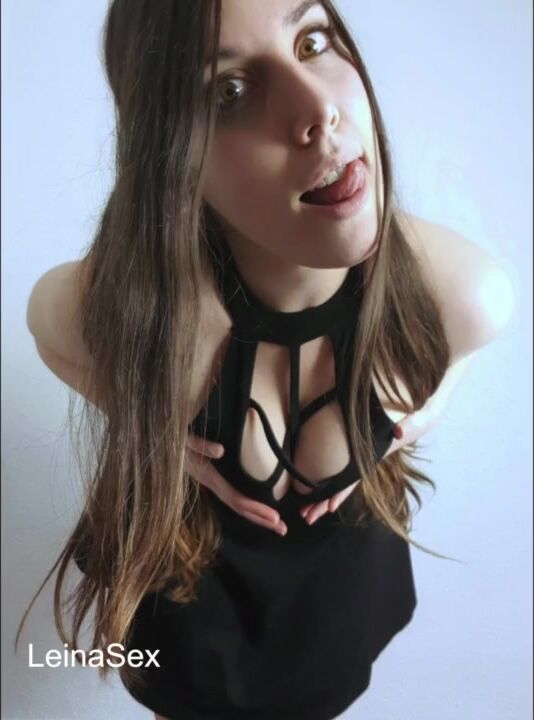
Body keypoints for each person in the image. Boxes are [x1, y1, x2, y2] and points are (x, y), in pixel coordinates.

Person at [19, 1, 514, 718]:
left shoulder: (456, 294)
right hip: (184, 624)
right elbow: (46, 330)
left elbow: (473, 334)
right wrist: (145, 418)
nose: (319, 112)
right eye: (230, 91)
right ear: (170, 152)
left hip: (335, 622)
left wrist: (426, 407)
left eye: (313, 41)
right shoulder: (141, 314)